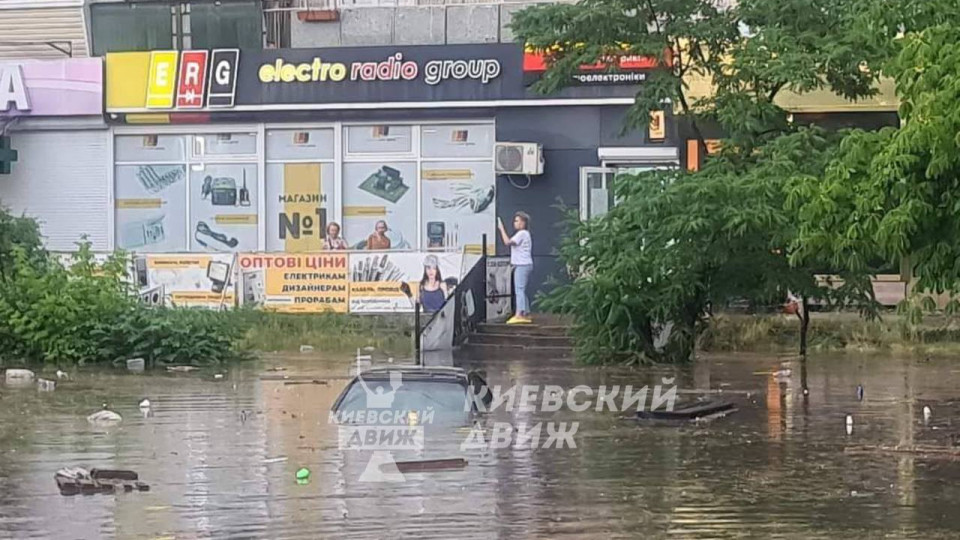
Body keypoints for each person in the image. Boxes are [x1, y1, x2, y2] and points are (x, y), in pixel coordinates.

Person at [498, 212, 533, 324]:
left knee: (519, 290)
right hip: (524, 265)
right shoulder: (524, 234)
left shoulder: (522, 233)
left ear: (523, 223)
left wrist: (501, 228)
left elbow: (507, 242)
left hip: (522, 265)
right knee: (521, 289)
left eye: (517, 221)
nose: (515, 223)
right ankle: (526, 312)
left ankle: (520, 314)